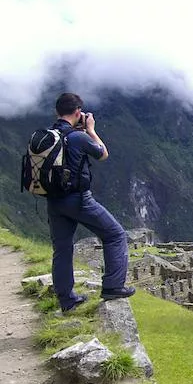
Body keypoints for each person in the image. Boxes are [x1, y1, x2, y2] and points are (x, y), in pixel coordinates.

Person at [47, 93, 135, 312]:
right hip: (79, 200)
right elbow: (102, 154)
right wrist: (91, 130)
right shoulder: (78, 137)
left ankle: (67, 301)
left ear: (57, 112)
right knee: (115, 235)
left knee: (62, 249)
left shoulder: (49, 135)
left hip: (54, 200)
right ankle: (113, 286)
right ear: (78, 112)